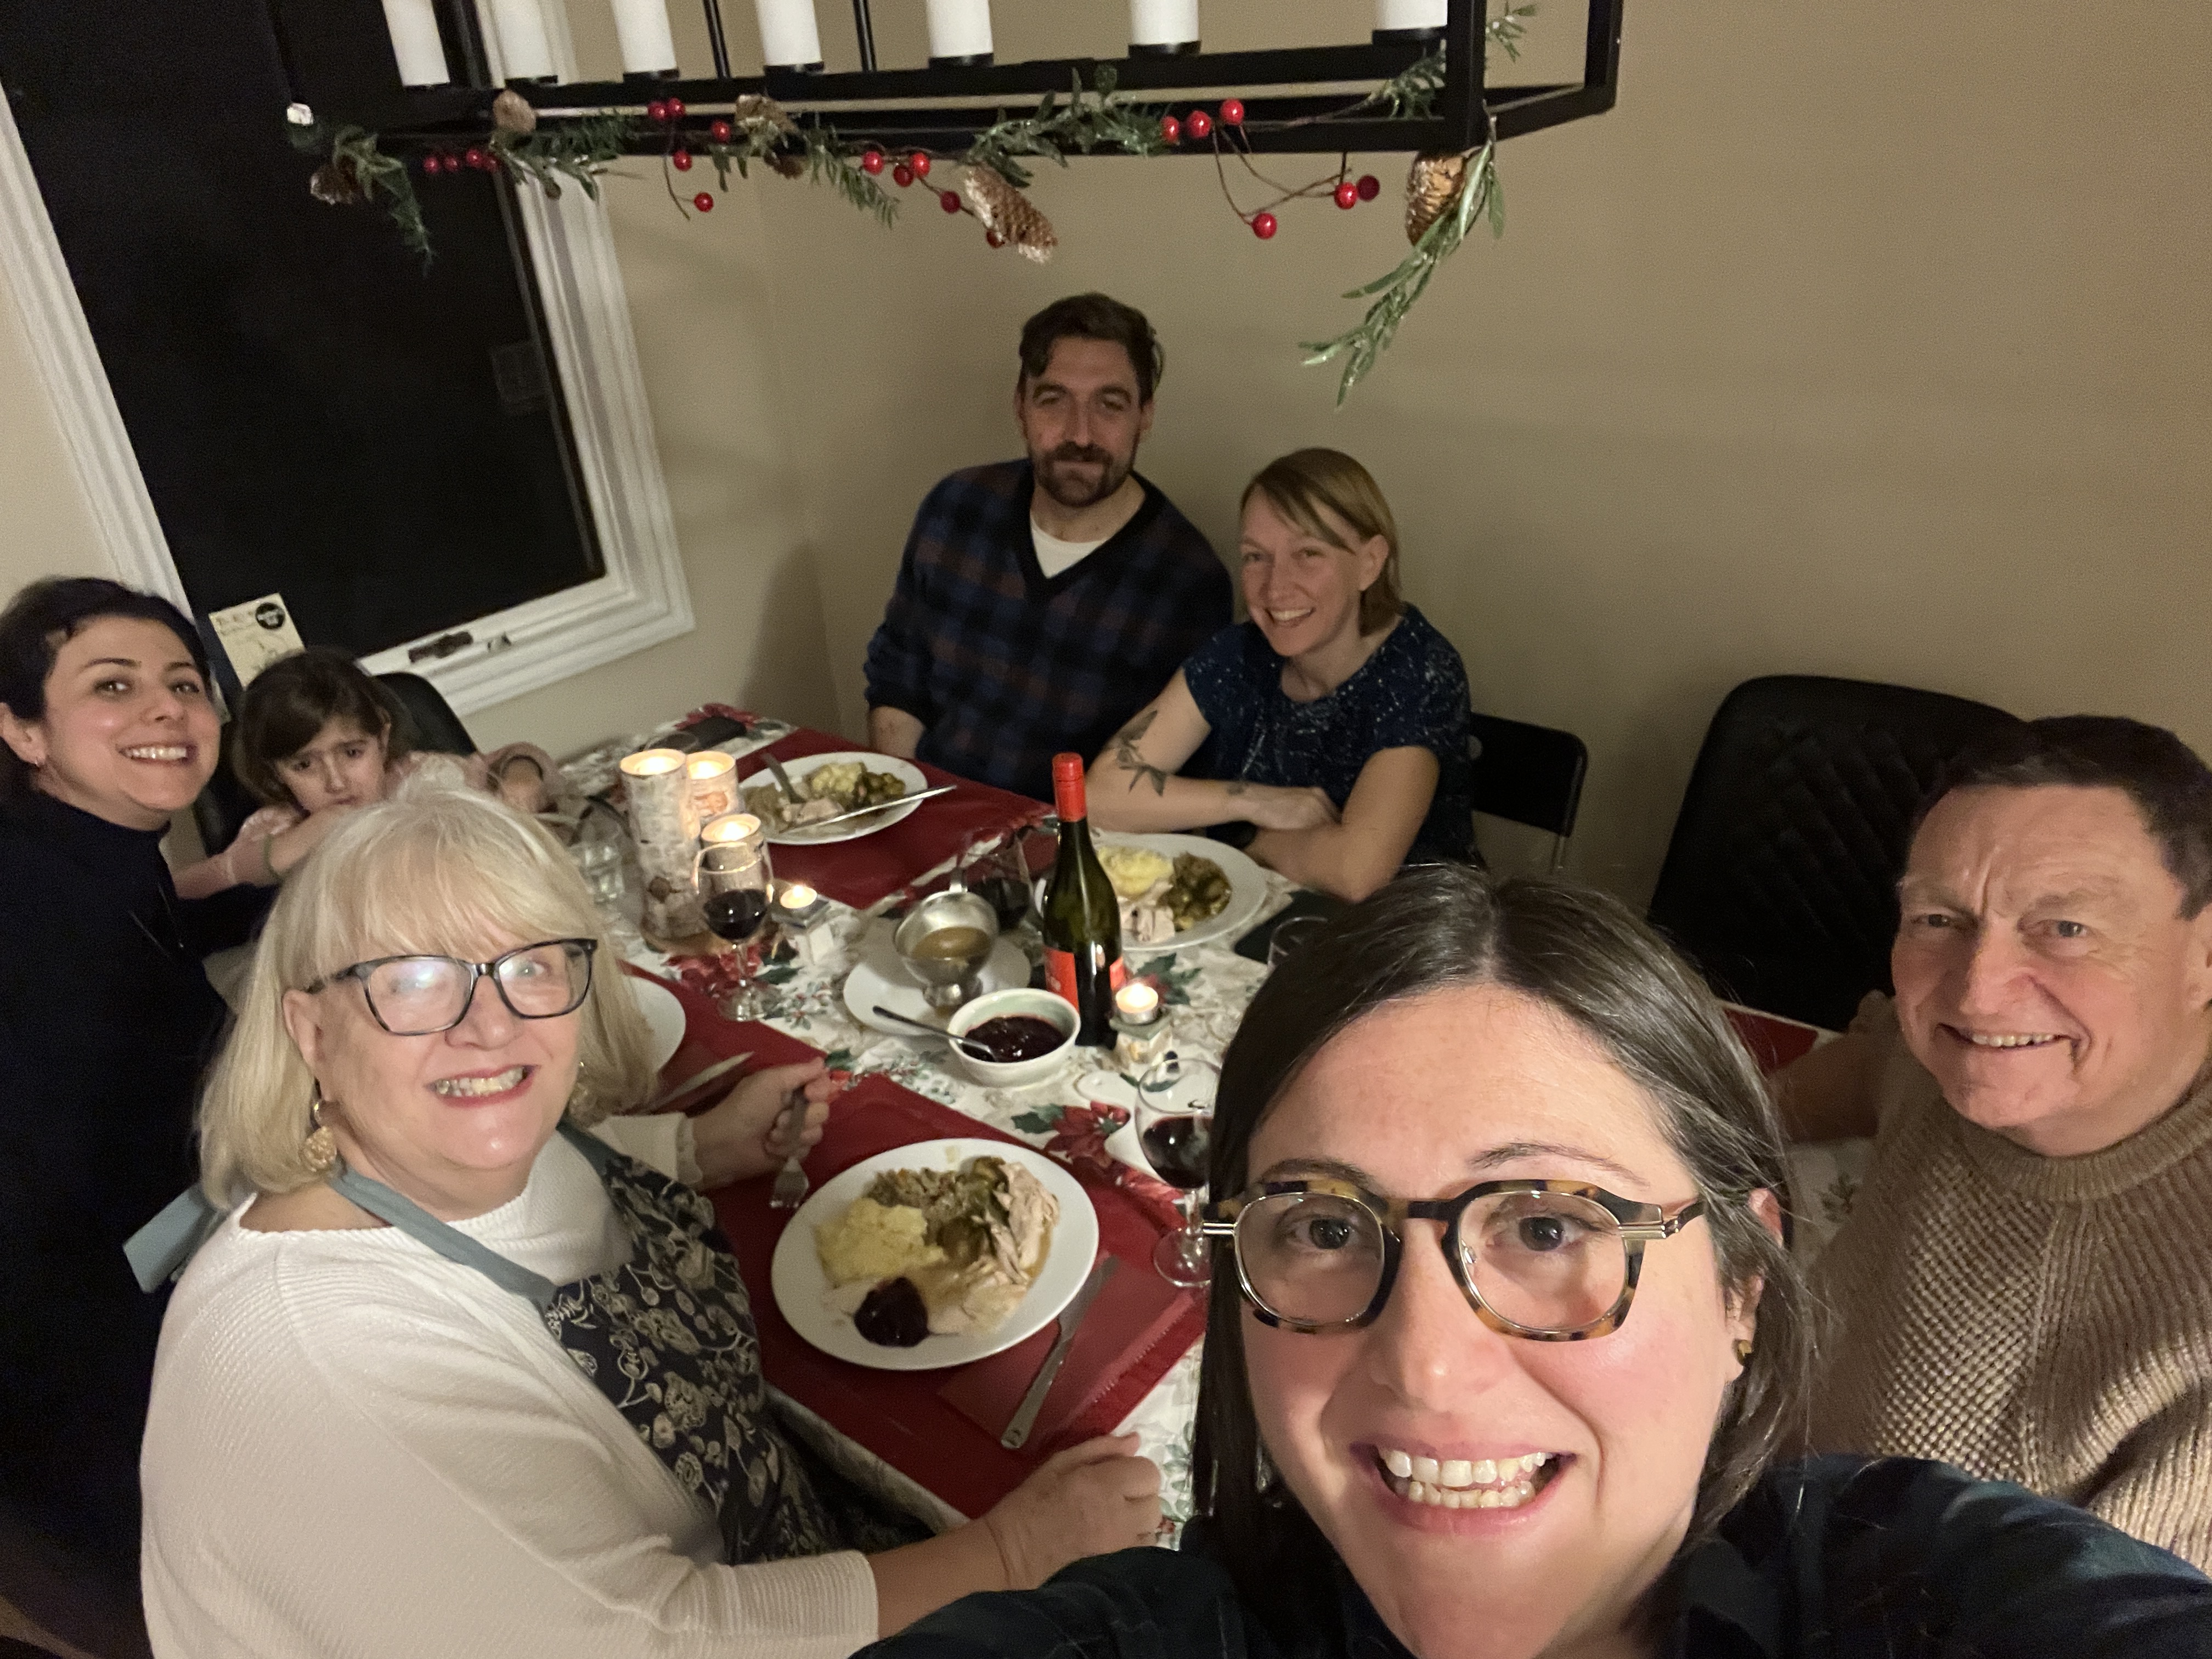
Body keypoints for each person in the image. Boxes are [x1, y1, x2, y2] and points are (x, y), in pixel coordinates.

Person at [860, 868, 2212, 1659]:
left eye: (1551, 1225)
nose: (1427, 1369)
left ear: (1742, 1285)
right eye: (1325, 1227)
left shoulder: (1915, 1588)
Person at [142, 778, 1161, 1657]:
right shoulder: (320, 1354)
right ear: (311, 1030)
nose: (489, 1023)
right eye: (413, 980)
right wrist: (1011, 1552)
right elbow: (663, 1638)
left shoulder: (450, 1152)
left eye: (529, 964)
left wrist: (701, 1148)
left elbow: (554, 1164)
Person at [1776, 715, 2212, 1568]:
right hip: (1756, 1479)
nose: (1976, 994)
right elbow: (1866, 1069)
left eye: (2066, 928)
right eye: (1938, 918)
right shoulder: (1937, 1062)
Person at [0, 575, 267, 1592]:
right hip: (108, 1373)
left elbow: (152, 932)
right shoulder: (29, 907)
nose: (167, 709)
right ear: (23, 730)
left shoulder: (88, 847)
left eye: (184, 684)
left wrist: (256, 873)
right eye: (113, 685)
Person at [863, 293, 1231, 801]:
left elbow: (1160, 777)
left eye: (1110, 404)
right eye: (1054, 400)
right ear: (1021, 407)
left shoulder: (1187, 581)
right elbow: (899, 680)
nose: (1080, 433)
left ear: (1145, 416)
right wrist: (904, 804)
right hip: (932, 807)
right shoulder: (956, 508)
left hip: (1073, 836)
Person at [1086, 450, 1471, 901]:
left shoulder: (1419, 669)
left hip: (1409, 932)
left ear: (1370, 563)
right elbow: (1098, 798)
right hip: (1264, 917)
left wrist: (1248, 844)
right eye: (1256, 557)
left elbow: (1356, 873)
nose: (1275, 587)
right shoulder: (1239, 654)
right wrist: (1254, 801)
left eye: (1308, 553)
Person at [173, 645, 566, 899]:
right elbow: (182, 888)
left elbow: (515, 757)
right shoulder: (279, 826)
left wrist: (522, 775)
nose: (336, 781)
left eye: (352, 752)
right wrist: (287, 850)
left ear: (382, 737)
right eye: (304, 765)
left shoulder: (420, 776)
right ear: (275, 773)